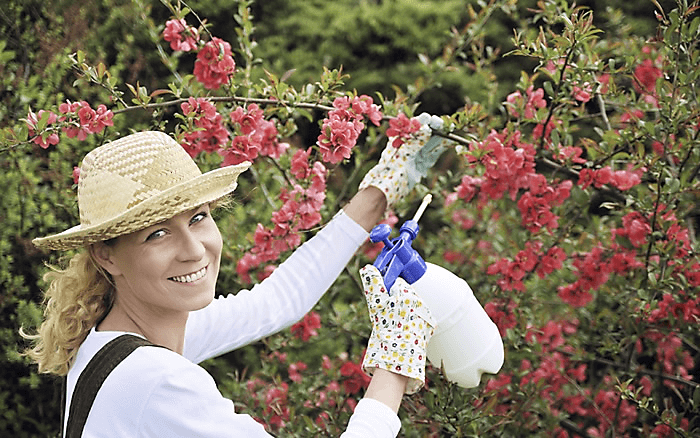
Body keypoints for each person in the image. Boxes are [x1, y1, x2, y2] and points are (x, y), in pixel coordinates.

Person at [23, 118, 449, 437]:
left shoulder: (115, 341)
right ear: (106, 255)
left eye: (198, 218)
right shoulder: (157, 381)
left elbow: (276, 301)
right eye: (157, 233)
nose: (193, 250)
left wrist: (382, 189)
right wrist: (396, 360)